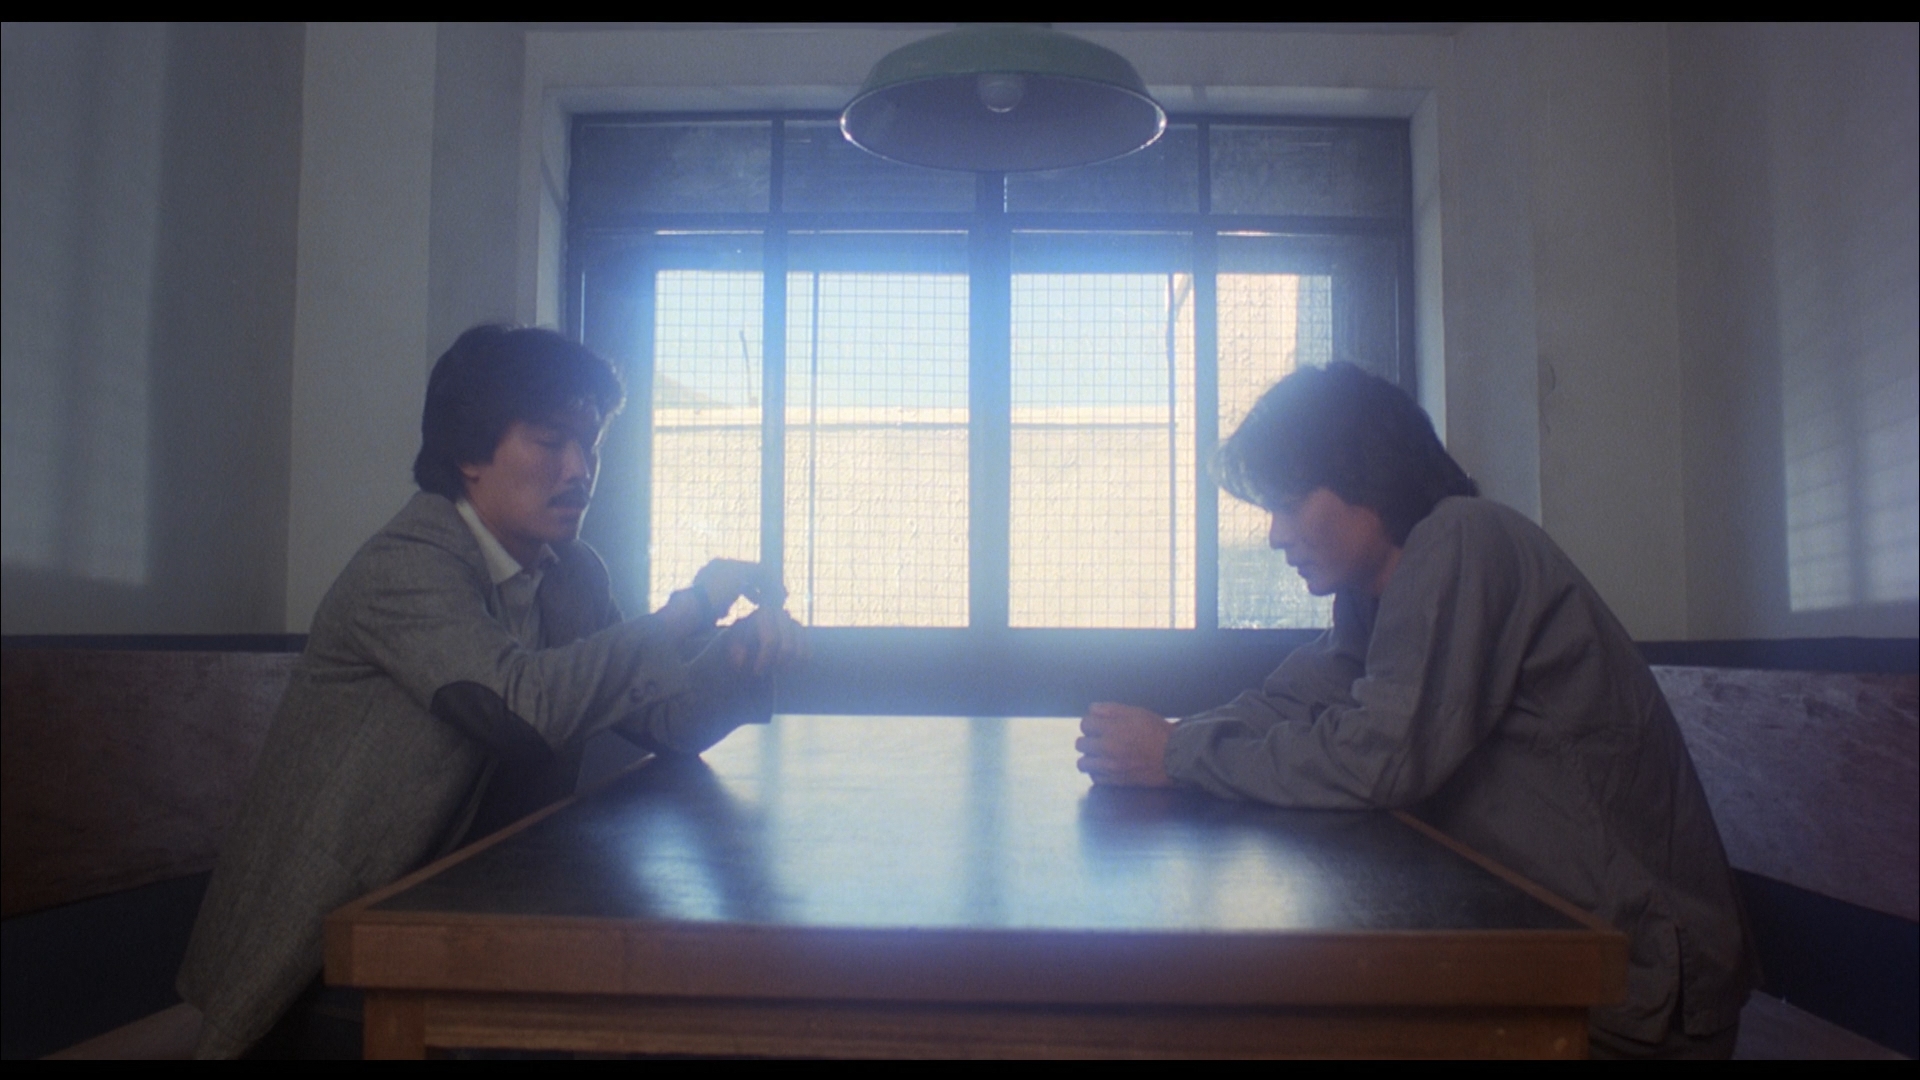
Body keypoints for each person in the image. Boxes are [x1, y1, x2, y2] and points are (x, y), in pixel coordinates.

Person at [1074, 362, 1755, 1058]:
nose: (1275, 534)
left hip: (1635, 988)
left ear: (1368, 480)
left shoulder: (1464, 540)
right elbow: (1292, 701)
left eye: (1290, 502)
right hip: (1550, 956)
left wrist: (1177, 755)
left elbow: (1380, 757)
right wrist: (1168, 740)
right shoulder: (1373, 595)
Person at [177, 325, 804, 1058]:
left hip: (462, 917)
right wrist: (690, 607)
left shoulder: (571, 573)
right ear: (469, 456)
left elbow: (663, 720)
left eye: (590, 445)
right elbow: (522, 710)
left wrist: (739, 659)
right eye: (551, 442)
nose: (580, 468)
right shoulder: (406, 565)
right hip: (324, 951)